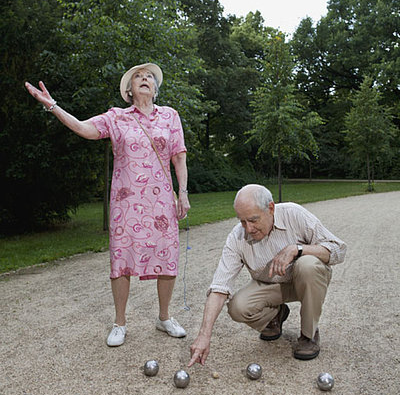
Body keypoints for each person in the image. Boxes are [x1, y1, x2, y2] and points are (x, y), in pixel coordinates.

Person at [25, 63, 190, 347]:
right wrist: (52, 106)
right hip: (125, 203)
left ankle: (164, 317)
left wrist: (183, 192)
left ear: (156, 87)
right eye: (138, 76)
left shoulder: (170, 116)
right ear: (129, 90)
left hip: (162, 200)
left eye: (149, 76)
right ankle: (120, 323)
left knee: (167, 257)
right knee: (122, 259)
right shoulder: (117, 118)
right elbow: (84, 128)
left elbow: (179, 157)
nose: (144, 79)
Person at [188, 184, 346, 365]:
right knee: (238, 306)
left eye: (253, 220)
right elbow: (219, 287)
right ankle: (274, 316)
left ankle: (308, 335)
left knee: (307, 264)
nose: (248, 228)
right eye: (242, 221)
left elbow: (338, 250)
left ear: (270, 208)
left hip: (307, 280)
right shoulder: (237, 237)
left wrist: (298, 249)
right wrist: (204, 336)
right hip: (271, 286)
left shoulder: (294, 214)